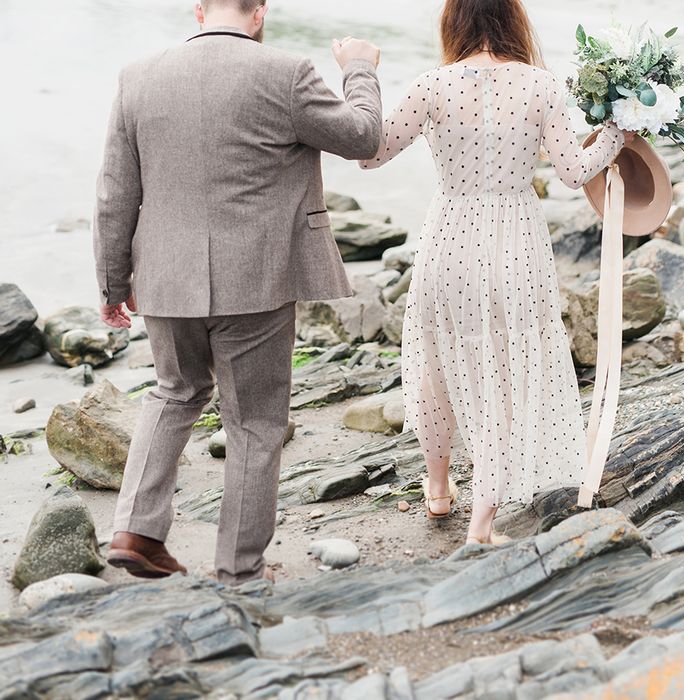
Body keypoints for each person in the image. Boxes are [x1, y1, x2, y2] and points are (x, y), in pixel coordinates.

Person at [93, 0, 382, 585]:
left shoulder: (137, 77)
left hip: (166, 279)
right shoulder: (287, 72)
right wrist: (359, 69)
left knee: (174, 393)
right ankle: (239, 569)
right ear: (259, 13)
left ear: (199, 11)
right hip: (257, 278)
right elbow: (363, 136)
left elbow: (113, 194)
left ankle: (134, 532)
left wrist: (111, 282)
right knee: (254, 423)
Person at [359, 0, 634, 545]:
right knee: (505, 375)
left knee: (437, 360)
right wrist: (618, 132)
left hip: (450, 235)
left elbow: (370, 155)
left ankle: (439, 492)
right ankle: (482, 521)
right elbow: (574, 172)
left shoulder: (431, 86)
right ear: (513, 21)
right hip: (515, 241)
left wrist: (363, 74)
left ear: (453, 22)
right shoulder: (542, 87)